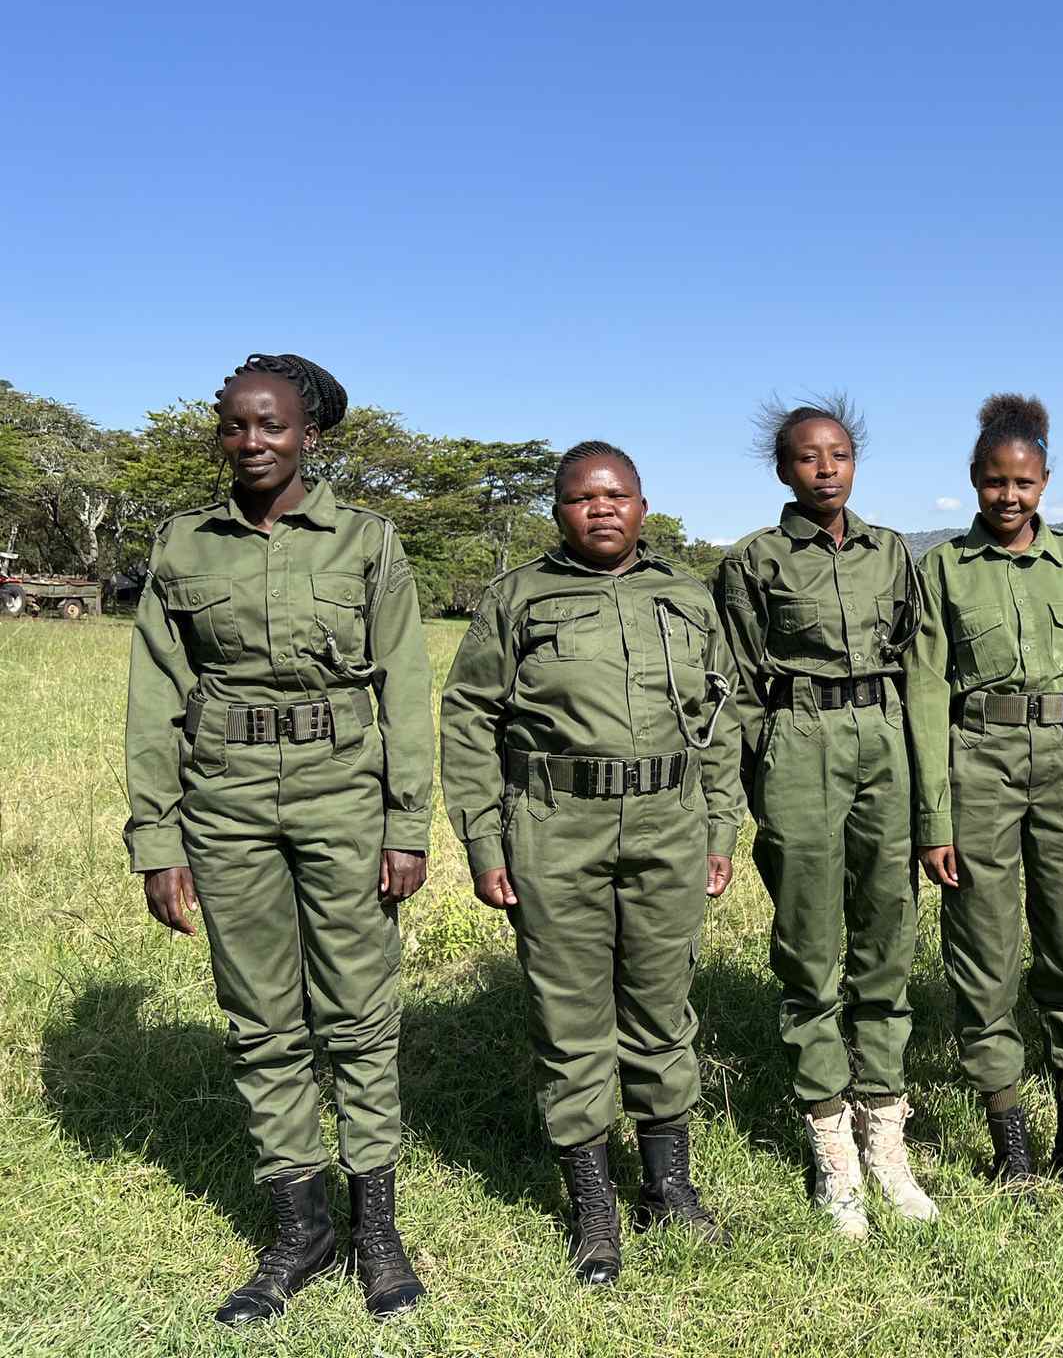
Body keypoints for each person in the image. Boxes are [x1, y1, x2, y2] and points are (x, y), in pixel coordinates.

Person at [124, 353, 433, 1324]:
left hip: (344, 796)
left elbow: (407, 688)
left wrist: (408, 820)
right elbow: (154, 701)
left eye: (273, 426)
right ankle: (300, 1231)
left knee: (357, 1014)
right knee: (261, 1019)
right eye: (235, 426)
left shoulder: (365, 542)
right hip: (226, 807)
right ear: (219, 434)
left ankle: (375, 1227)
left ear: (309, 434)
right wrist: (157, 839)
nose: (253, 442)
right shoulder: (183, 548)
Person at [438, 441, 745, 1283]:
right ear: (558, 511)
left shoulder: (686, 596)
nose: (601, 510)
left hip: (669, 822)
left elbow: (723, 715)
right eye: (581, 498)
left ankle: (667, 1185)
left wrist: (722, 828)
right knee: (570, 1017)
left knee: (661, 1005)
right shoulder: (518, 599)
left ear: (643, 506)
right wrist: (482, 840)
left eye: (617, 496)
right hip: (555, 824)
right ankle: (593, 1202)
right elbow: (469, 721)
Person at [715, 397, 936, 1238]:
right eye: (808, 457)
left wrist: (925, 786)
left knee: (889, 935)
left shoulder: (893, 554)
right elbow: (731, 682)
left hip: (884, 737)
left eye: (839, 454)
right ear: (783, 470)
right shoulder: (753, 562)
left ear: (854, 462)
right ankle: (829, 1142)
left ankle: (885, 1133)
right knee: (810, 946)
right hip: (797, 740)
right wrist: (745, 784)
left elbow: (919, 664)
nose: (825, 468)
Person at [904, 394, 1063, 1194]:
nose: (1010, 497)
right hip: (980, 765)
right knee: (984, 956)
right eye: (996, 482)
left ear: (1045, 482)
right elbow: (926, 696)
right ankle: (1011, 1147)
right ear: (974, 480)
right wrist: (934, 819)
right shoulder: (942, 569)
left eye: (1025, 483)